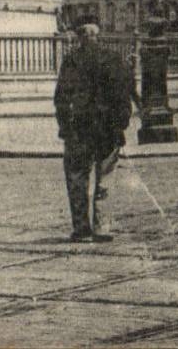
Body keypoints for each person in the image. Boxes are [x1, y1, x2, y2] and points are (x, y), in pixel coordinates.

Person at [54, 18, 134, 243]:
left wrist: (64, 126)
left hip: (79, 129)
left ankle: (81, 229)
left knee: (77, 178)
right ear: (98, 35)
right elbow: (124, 93)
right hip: (107, 129)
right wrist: (120, 124)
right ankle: (102, 226)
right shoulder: (112, 58)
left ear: (79, 37)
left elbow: (61, 97)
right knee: (106, 178)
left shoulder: (71, 61)